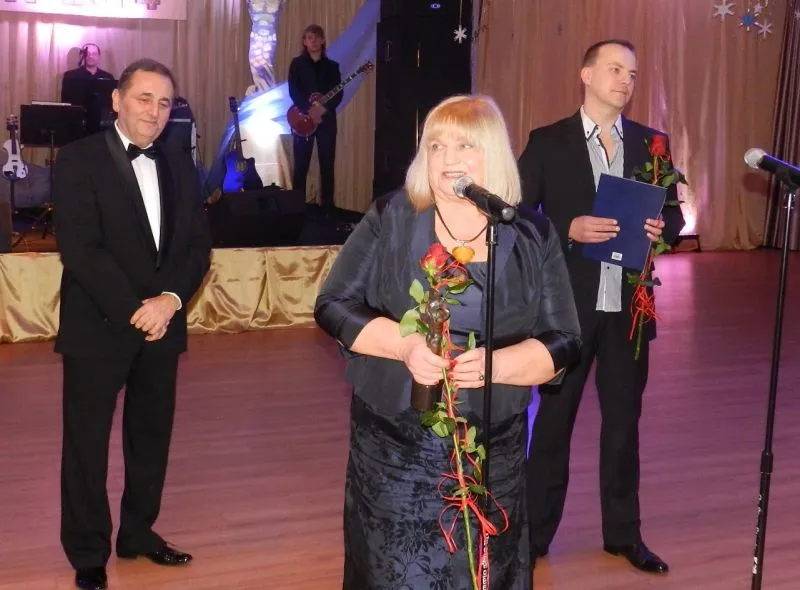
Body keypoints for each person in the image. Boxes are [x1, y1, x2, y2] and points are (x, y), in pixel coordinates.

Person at [314, 94, 582, 589]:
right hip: (396, 449)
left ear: (493, 153)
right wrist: (404, 346)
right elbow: (333, 304)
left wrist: (498, 365)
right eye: (436, 146)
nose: (447, 158)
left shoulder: (531, 233)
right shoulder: (392, 215)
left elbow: (564, 339)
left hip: (492, 452)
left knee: (481, 572)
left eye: (464, 145)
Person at [519, 39, 685, 574]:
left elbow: (675, 217)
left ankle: (623, 535)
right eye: (615, 69)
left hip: (629, 309)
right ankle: (533, 536)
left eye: (632, 74)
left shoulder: (651, 145)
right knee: (553, 425)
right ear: (586, 74)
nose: (625, 81)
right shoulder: (548, 141)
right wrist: (567, 227)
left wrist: (662, 229)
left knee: (623, 426)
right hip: (566, 310)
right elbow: (517, 215)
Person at [53, 58, 212, 590]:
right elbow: (81, 249)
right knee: (86, 445)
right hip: (98, 325)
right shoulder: (77, 159)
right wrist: (135, 308)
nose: (155, 111)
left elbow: (197, 247)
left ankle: (138, 534)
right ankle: (87, 552)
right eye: (144, 98)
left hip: (162, 325)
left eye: (165, 102)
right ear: (117, 100)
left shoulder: (180, 162)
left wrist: (169, 301)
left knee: (150, 437)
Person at [288, 24, 342, 211]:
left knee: (327, 164)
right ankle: (296, 206)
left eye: (317, 38)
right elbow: (293, 90)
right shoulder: (297, 64)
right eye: (309, 38)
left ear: (323, 41)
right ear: (304, 42)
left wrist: (323, 109)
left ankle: (328, 205)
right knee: (301, 164)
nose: (314, 41)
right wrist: (308, 109)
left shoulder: (333, 67)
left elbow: (338, 93)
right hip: (303, 120)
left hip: (326, 122)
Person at [61, 44, 117, 134]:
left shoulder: (108, 77)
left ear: (99, 56)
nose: (90, 56)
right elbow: (66, 102)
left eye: (94, 54)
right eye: (87, 53)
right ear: (82, 56)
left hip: (101, 127)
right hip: (77, 125)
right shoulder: (71, 76)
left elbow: (111, 103)